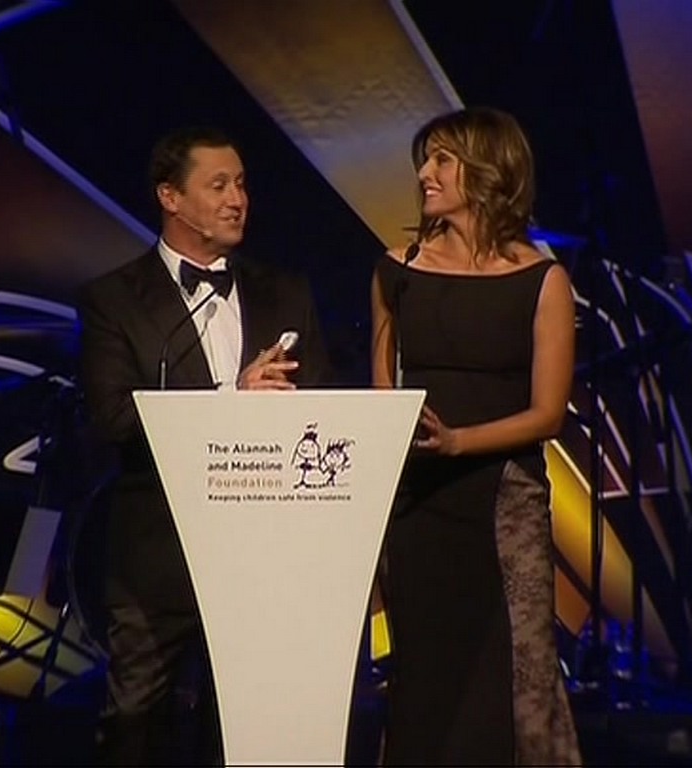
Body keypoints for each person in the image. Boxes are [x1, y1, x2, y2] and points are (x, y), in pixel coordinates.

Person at [76, 125, 332, 766]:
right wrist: (230, 398)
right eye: (218, 186)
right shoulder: (113, 299)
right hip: (157, 554)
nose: (237, 199)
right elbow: (114, 417)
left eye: (241, 184)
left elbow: (321, 410)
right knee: (135, 724)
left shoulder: (286, 292)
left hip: (263, 555)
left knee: (252, 731)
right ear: (170, 196)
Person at [370, 106, 582, 765]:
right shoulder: (395, 270)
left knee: (517, 673)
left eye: (442, 160)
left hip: (503, 504)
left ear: (488, 170)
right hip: (417, 507)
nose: (424, 174)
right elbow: (381, 396)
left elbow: (548, 414)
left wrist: (459, 441)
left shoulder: (543, 281)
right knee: (423, 676)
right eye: (425, 160)